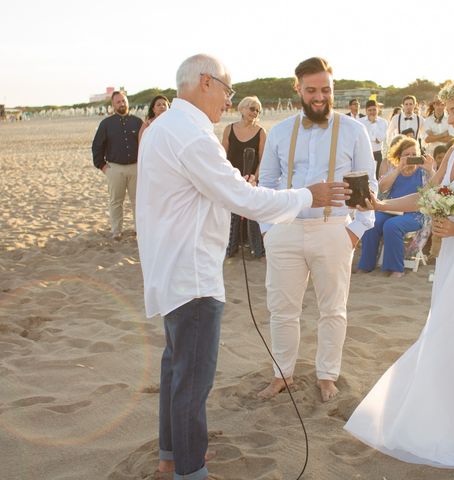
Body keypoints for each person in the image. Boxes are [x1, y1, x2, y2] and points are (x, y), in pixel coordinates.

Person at [136, 53, 351, 480]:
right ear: (205, 83)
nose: (228, 101)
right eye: (227, 90)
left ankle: (170, 457)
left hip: (170, 266)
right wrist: (309, 195)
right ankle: (189, 469)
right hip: (192, 274)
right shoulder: (191, 135)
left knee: (176, 369)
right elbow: (248, 203)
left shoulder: (163, 129)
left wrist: (236, 188)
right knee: (192, 382)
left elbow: (208, 192)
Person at [345, 76, 454, 468]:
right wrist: (380, 203)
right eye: (448, 112)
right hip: (451, 264)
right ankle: (438, 421)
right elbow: (426, 198)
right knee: (443, 339)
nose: (449, 120)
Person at [257, 56, 377, 403]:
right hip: (285, 231)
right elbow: (266, 183)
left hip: (334, 231)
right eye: (312, 90)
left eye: (326, 89)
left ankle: (327, 375)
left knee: (333, 309)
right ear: (298, 89)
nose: (320, 96)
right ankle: (282, 374)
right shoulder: (279, 131)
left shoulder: (355, 131)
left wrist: (356, 230)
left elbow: (369, 187)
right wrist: (268, 229)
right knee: (282, 309)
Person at [356, 137, 432, 277]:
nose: (411, 157)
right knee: (372, 222)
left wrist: (431, 169)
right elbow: (382, 189)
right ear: (399, 156)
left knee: (392, 226)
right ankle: (366, 265)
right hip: (391, 209)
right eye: (406, 155)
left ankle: (396, 268)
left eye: (414, 154)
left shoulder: (423, 172)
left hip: (415, 213)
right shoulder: (394, 171)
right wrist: (398, 169)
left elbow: (434, 190)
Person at [91, 91, 143, 240]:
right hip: (115, 169)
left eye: (124, 101)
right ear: (113, 105)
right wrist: (102, 166)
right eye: (118, 102)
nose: (122, 104)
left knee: (137, 201)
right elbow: (97, 146)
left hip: (135, 168)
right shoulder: (106, 124)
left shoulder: (137, 122)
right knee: (116, 201)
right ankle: (116, 231)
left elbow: (145, 143)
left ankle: (139, 230)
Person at [222, 96, 267, 258]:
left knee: (253, 217)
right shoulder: (229, 129)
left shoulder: (261, 132)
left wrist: (254, 178)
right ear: (242, 108)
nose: (255, 112)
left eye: (257, 110)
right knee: (231, 216)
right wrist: (229, 177)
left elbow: (264, 159)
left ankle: (257, 250)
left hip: (252, 181)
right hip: (232, 179)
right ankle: (231, 249)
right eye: (252, 108)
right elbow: (222, 157)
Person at [359, 99, 388, 178]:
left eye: (374, 110)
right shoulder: (360, 122)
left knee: (377, 177)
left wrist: (373, 123)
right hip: (363, 153)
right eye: (370, 110)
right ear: (366, 111)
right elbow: (361, 139)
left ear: (378, 109)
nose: (372, 112)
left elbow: (378, 139)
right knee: (364, 177)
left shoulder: (383, 122)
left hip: (377, 153)